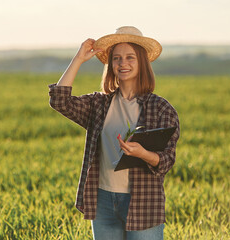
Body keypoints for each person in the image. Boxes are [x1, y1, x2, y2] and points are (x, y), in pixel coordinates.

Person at [48, 26, 180, 240]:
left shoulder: (162, 109)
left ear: (142, 63)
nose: (122, 63)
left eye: (130, 57)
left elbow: (167, 161)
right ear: (111, 65)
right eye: (116, 58)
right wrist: (79, 58)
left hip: (143, 202)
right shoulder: (99, 104)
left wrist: (143, 154)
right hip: (102, 200)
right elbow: (60, 101)